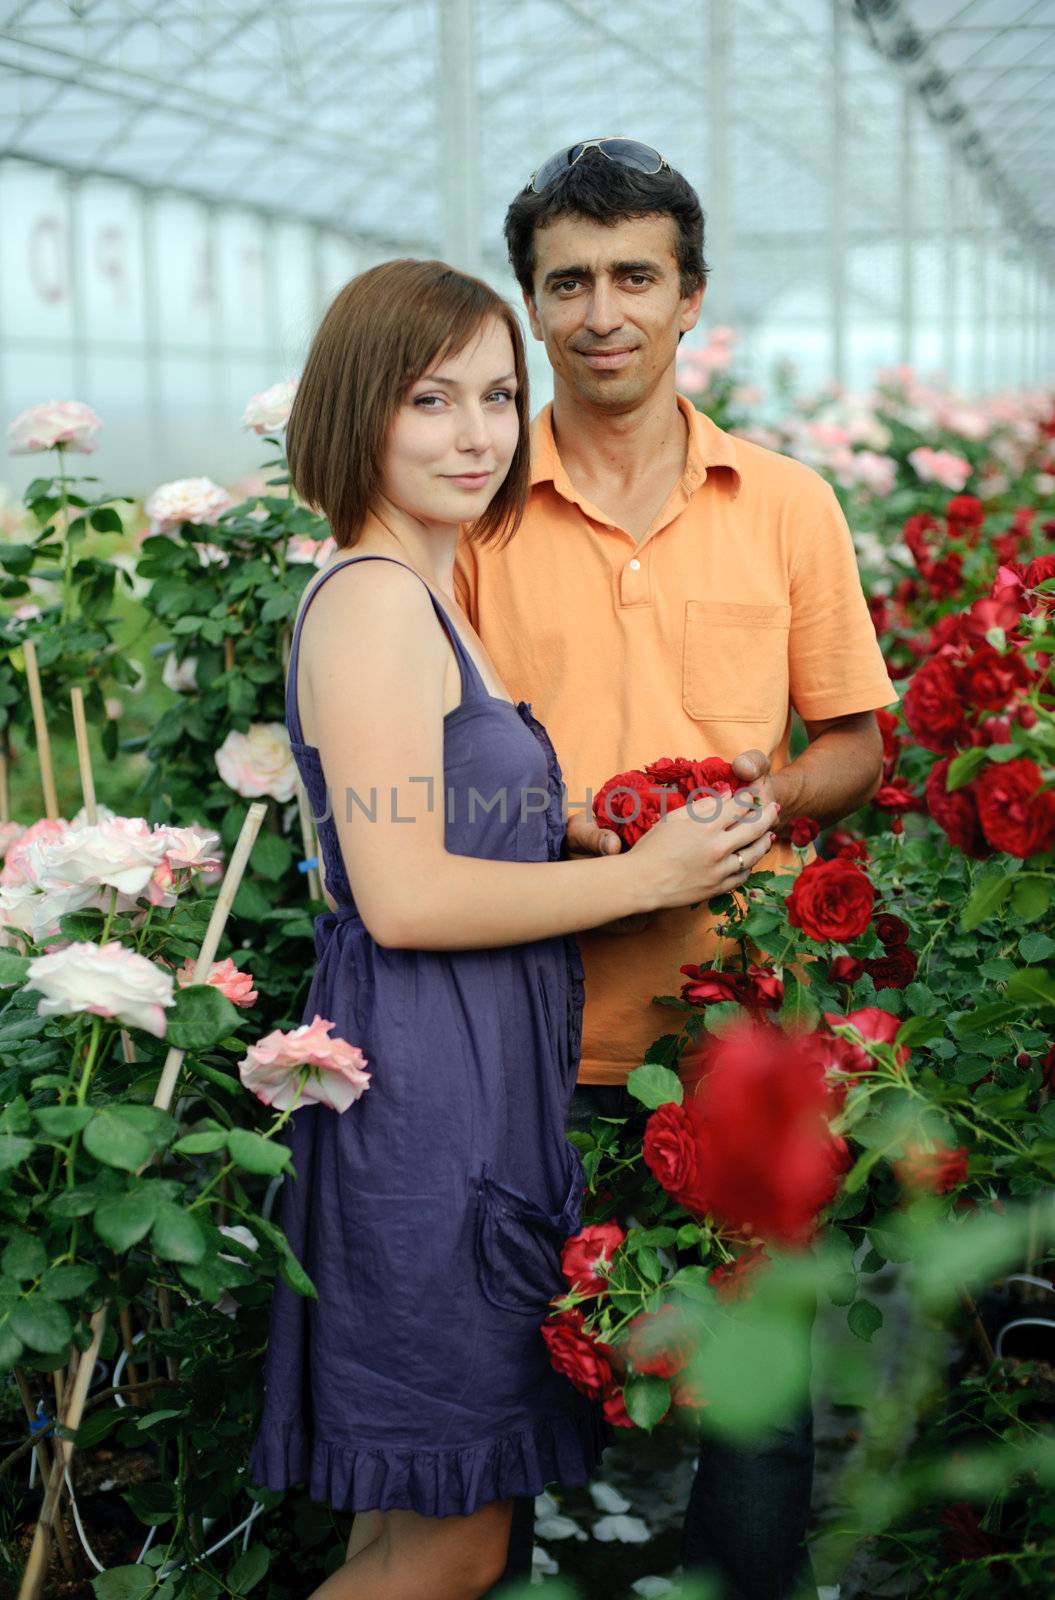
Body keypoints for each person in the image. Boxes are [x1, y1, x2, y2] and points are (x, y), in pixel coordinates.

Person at [246, 257, 779, 1600]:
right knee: (457, 1536)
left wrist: (566, 828)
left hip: (463, 1081)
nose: (476, 435)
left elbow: (422, 821)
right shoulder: (373, 600)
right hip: (427, 1095)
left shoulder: (423, 595)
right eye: (430, 400)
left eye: (497, 395)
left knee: (413, 1520)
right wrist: (642, 878)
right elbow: (407, 894)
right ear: (357, 411)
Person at [454, 142, 899, 1599]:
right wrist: (583, 831)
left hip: (736, 1021)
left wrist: (751, 807)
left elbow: (857, 741)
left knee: (758, 1396)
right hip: (520, 1022)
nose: (602, 312)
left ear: (690, 296)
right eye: (567, 281)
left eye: (634, 276)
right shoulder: (471, 515)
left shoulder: (784, 502)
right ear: (530, 303)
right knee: (507, 1387)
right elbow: (426, 766)